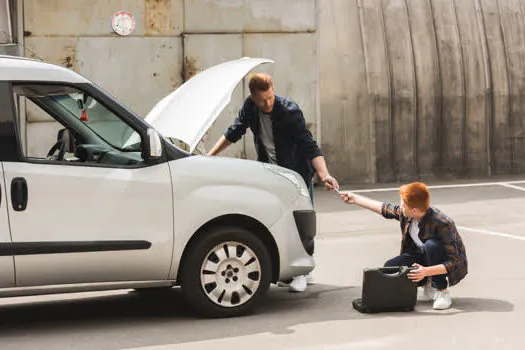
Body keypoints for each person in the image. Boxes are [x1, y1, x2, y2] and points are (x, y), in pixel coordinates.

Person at [207, 73, 339, 292]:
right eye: (262, 100)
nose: (268, 103)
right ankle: (290, 268)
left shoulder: (289, 111)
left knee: (300, 223)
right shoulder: (249, 108)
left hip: (295, 175)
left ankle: (303, 272)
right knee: (276, 222)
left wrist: (324, 174)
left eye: (270, 97)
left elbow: (309, 145)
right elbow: (233, 133)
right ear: (253, 97)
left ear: (273, 89)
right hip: (270, 176)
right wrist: (209, 157)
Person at [340, 182, 468, 310]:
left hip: (442, 258)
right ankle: (428, 283)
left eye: (403, 205)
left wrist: (426, 271)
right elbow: (384, 209)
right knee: (390, 267)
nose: (400, 207)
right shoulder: (407, 214)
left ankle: (441, 291)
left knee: (432, 245)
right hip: (421, 256)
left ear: (414, 210)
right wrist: (355, 199)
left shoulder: (443, 223)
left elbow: (454, 261)